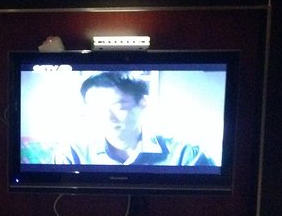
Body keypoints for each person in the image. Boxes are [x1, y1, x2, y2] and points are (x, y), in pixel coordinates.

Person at [54, 71, 215, 166]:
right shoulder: (71, 154)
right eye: (97, 108)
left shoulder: (185, 155)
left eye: (118, 106)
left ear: (143, 103)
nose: (108, 117)